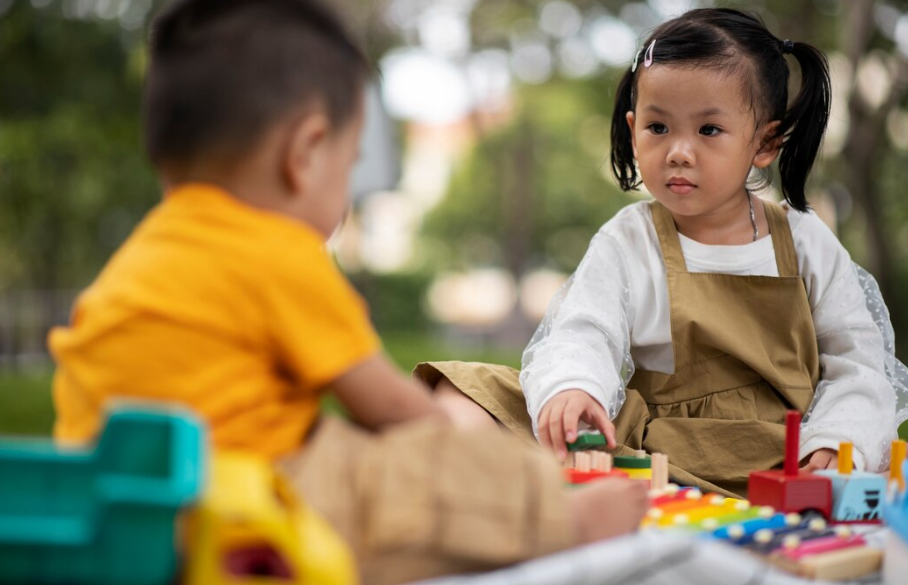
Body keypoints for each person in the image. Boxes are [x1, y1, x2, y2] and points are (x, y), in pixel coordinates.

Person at [48, 1, 647, 583]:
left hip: (112, 510)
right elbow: (394, 412)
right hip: (237, 509)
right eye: (348, 165)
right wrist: (473, 452)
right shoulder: (277, 253)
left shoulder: (138, 259)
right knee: (399, 468)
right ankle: (565, 523)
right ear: (304, 154)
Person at [418, 8, 906, 499]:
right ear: (633, 130)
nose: (678, 151)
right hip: (656, 454)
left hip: (785, 458)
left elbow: (857, 361)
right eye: (658, 128)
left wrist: (836, 443)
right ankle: (473, 507)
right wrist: (575, 389)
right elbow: (586, 328)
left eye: (708, 130)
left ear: (765, 142)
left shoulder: (805, 241)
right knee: (463, 390)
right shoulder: (630, 238)